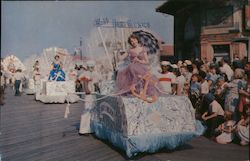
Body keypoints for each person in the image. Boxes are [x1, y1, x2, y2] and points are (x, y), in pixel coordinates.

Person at [116, 34, 162, 103]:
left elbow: (147, 61)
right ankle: (137, 91)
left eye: (134, 40)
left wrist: (139, 61)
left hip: (141, 67)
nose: (133, 42)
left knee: (146, 78)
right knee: (133, 74)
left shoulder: (143, 49)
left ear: (137, 40)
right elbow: (120, 58)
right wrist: (118, 50)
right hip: (132, 68)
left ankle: (143, 92)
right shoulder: (130, 50)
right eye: (131, 41)